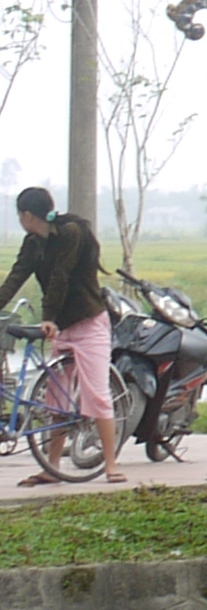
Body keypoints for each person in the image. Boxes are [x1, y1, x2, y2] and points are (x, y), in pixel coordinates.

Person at [0, 186, 114, 485]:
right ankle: (52, 469)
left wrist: (47, 317)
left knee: (97, 395)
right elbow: (16, 276)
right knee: (56, 400)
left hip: (88, 322)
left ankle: (112, 466)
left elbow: (60, 277)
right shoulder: (32, 243)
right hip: (62, 328)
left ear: (27, 215)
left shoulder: (71, 233)